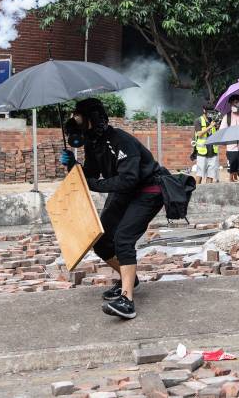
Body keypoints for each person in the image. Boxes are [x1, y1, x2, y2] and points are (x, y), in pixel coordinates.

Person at [59, 97, 168, 320]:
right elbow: (90, 174)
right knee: (99, 238)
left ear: (93, 120)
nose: (76, 123)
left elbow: (128, 179)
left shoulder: (120, 140)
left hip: (149, 189)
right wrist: (73, 166)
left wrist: (94, 184)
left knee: (123, 238)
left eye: (80, 118)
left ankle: (127, 301)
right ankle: (129, 278)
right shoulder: (93, 144)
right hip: (126, 191)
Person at [193, 104, 220, 184]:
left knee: (211, 175)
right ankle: (196, 191)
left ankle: (208, 192)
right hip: (202, 153)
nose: (211, 114)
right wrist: (210, 127)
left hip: (213, 152)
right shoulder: (198, 120)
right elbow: (199, 134)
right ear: (204, 110)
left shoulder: (214, 121)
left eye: (212, 112)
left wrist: (217, 126)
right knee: (199, 174)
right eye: (209, 112)